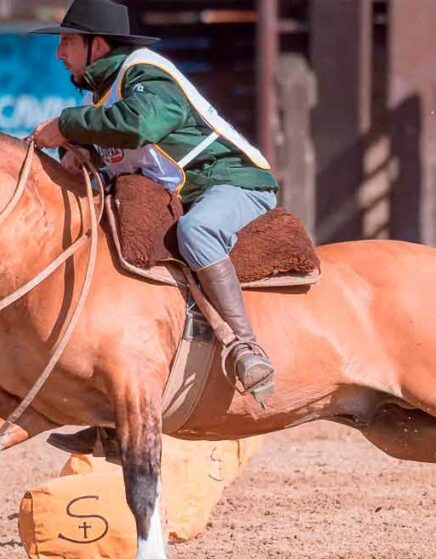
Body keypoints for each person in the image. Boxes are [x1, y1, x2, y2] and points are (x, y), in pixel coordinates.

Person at [27, 0, 279, 398]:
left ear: (99, 45)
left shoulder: (145, 71)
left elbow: (141, 124)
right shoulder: (105, 97)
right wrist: (80, 156)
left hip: (234, 180)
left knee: (198, 232)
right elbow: (122, 158)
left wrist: (66, 124)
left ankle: (245, 346)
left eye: (68, 42)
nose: (59, 53)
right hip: (188, 192)